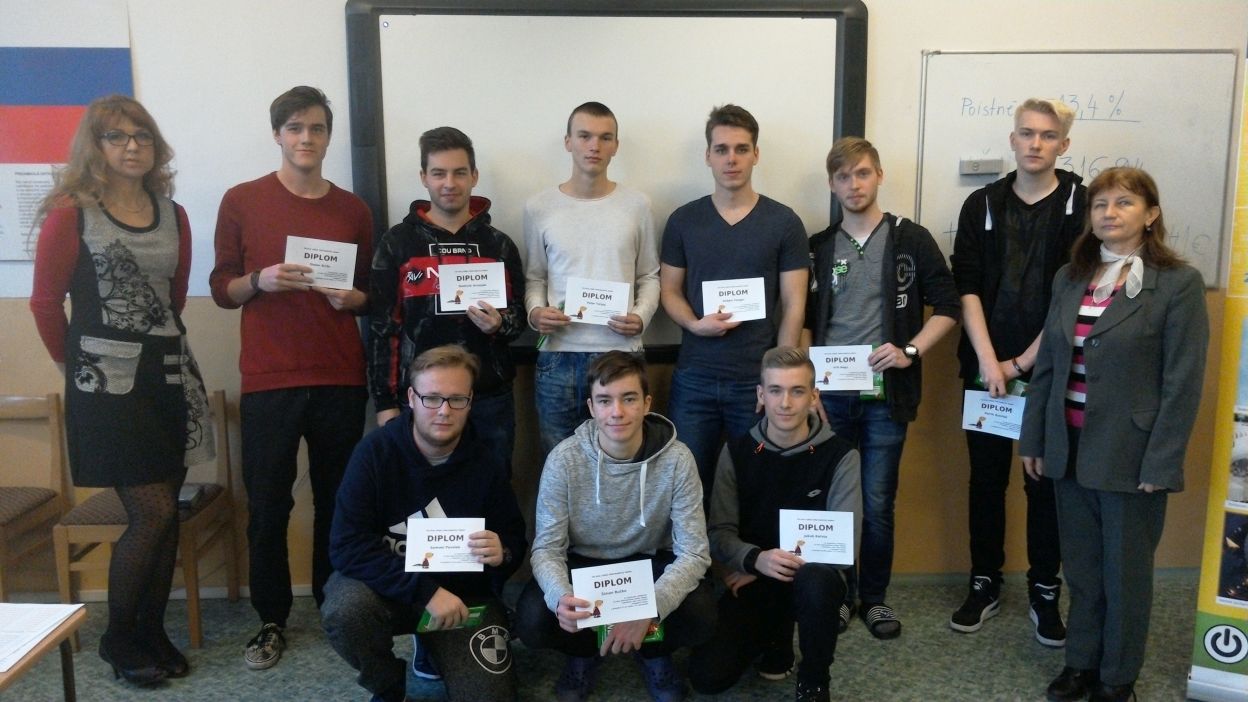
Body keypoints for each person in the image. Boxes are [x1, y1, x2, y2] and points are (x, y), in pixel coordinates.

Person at [29, 95, 213, 685]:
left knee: (166, 515)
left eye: (142, 136)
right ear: (96, 146)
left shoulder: (174, 213)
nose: (132, 146)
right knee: (151, 512)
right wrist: (77, 370)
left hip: (169, 376)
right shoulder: (72, 214)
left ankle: (151, 633)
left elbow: (174, 297)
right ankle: (118, 638)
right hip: (107, 389)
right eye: (117, 136)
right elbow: (44, 303)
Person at [1019, 167, 1208, 702]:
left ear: (1150, 215)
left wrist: (1162, 461)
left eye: (1124, 202)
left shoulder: (1178, 284)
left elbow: (1182, 383)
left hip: (1132, 454)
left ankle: (1117, 675)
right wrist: (1034, 439)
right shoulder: (1070, 277)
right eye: (1100, 204)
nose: (1109, 212)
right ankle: (1081, 662)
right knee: (1082, 569)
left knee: (1125, 575)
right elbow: (1050, 366)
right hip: (1069, 448)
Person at [209, 86, 373, 670]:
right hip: (269, 379)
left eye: (317, 128)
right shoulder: (241, 200)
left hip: (339, 376)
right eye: (296, 127)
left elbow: (368, 294)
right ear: (277, 134)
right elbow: (221, 289)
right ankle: (270, 619)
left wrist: (354, 299)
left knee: (338, 500)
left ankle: (334, 605)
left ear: (329, 137)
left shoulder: (353, 210)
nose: (307, 138)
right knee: (268, 506)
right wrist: (261, 280)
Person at [804, 137, 959, 639]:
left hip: (886, 396)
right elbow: (803, 321)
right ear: (832, 184)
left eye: (863, 173)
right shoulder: (818, 246)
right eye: (843, 176)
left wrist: (910, 350)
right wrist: (808, 387)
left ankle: (873, 599)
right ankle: (839, 596)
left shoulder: (910, 238)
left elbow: (949, 305)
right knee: (834, 502)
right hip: (830, 397)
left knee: (876, 502)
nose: (854, 184)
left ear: (879, 176)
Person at [949, 98, 1086, 645]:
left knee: (1043, 481)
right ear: (1012, 140)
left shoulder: (1081, 204)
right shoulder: (981, 203)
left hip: (1050, 370)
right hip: (985, 368)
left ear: (1063, 145)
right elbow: (966, 285)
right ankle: (984, 582)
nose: (1035, 143)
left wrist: (1023, 362)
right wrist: (989, 361)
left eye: (1047, 135)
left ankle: (1044, 590)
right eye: (1026, 133)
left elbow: (1076, 292)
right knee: (986, 479)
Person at [323, 345, 527, 702]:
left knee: (492, 698)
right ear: (411, 399)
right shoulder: (374, 454)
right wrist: (426, 593)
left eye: (457, 399)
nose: (444, 411)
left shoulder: (485, 462)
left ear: (470, 401)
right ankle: (387, 684)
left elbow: (513, 539)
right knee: (346, 611)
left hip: (463, 599)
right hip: (388, 590)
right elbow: (346, 546)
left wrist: (503, 551)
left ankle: (436, 645)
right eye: (432, 398)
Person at [514, 351, 714, 702]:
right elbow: (546, 548)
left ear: (647, 403)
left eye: (629, 398)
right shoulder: (564, 459)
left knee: (702, 614)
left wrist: (651, 608)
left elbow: (694, 553)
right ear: (591, 407)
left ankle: (652, 651)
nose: (617, 412)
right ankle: (583, 652)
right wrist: (561, 597)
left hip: (649, 562)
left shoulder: (678, 459)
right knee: (533, 618)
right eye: (605, 401)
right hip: (584, 564)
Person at [689, 347, 860, 702]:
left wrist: (780, 566)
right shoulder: (736, 450)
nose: (785, 403)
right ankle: (774, 638)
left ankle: (814, 680)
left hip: (814, 578)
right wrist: (755, 559)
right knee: (707, 678)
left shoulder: (842, 455)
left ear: (814, 397)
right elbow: (719, 532)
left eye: (797, 391)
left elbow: (845, 547)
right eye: (775, 390)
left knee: (816, 581)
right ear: (760, 395)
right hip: (753, 576)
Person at [659, 104, 809, 495]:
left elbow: (794, 305)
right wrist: (694, 325)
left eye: (741, 149)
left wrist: (777, 379)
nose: (731, 159)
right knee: (688, 488)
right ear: (707, 155)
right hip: (695, 378)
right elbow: (669, 290)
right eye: (722, 149)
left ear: (756, 154)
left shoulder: (784, 222)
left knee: (757, 485)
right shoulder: (683, 220)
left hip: (755, 380)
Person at [369, 126, 525, 473]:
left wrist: (500, 324)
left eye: (459, 173)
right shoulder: (397, 243)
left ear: (474, 176)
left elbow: (519, 318)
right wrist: (384, 402)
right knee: (420, 495)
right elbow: (383, 329)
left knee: (491, 492)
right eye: (439, 173)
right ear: (424, 177)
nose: (449, 183)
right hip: (421, 400)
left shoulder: (499, 245)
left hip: (489, 398)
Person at [524, 101, 660, 454]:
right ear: (568, 142)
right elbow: (535, 277)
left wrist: (641, 317)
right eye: (584, 136)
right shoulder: (538, 207)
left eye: (605, 138)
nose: (594, 146)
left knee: (624, 459)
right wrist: (535, 313)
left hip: (622, 352)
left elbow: (649, 275)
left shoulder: (638, 205)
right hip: (559, 356)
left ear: (616, 146)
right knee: (559, 461)